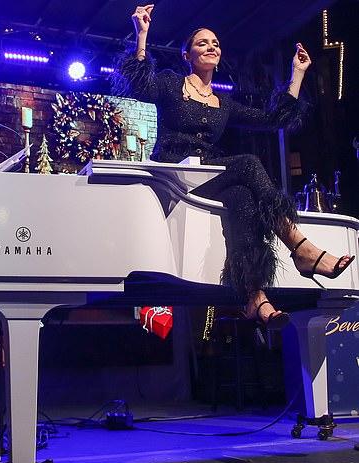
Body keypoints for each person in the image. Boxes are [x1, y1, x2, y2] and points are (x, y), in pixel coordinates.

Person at [114, 5, 354, 326]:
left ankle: (254, 296)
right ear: (187, 55)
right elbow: (140, 86)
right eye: (202, 43)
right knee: (248, 163)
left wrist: (297, 75)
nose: (211, 46)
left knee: (243, 196)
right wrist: (142, 34)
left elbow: (274, 119)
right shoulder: (172, 84)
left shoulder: (223, 103)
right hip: (174, 173)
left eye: (215, 43)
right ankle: (300, 247)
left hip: (208, 174)